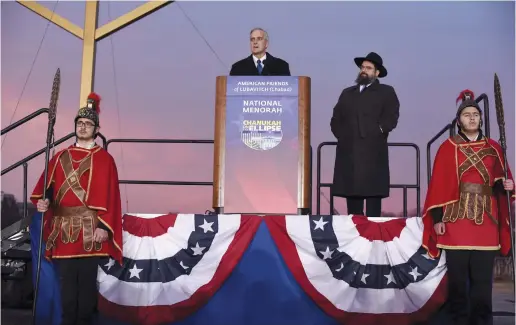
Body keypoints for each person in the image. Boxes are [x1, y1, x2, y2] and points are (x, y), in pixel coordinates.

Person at [422, 89, 515, 325]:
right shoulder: (448, 147)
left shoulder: (494, 147)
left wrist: (507, 184)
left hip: (486, 222)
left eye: (476, 114)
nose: (472, 118)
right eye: (467, 114)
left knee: (483, 288)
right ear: (459, 120)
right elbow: (438, 187)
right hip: (455, 221)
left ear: (481, 119)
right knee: (457, 287)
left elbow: (501, 187)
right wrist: (438, 218)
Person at [31, 92, 123, 325]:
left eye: (88, 124)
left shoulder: (105, 159)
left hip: (91, 231)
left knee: (87, 295)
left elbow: (112, 196)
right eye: (79, 123)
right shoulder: (60, 156)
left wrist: (104, 225)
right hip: (63, 232)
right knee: (67, 293)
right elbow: (46, 191)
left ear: (96, 128)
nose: (83, 127)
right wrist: (44, 202)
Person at [330, 52, 400, 217]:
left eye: (368, 68)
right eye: (362, 67)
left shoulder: (386, 91)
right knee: (353, 203)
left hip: (373, 151)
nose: (364, 70)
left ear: (377, 73)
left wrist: (379, 131)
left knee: (373, 198)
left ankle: (373, 238)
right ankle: (356, 237)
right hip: (349, 151)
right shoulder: (347, 93)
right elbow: (335, 118)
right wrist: (342, 136)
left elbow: (392, 116)